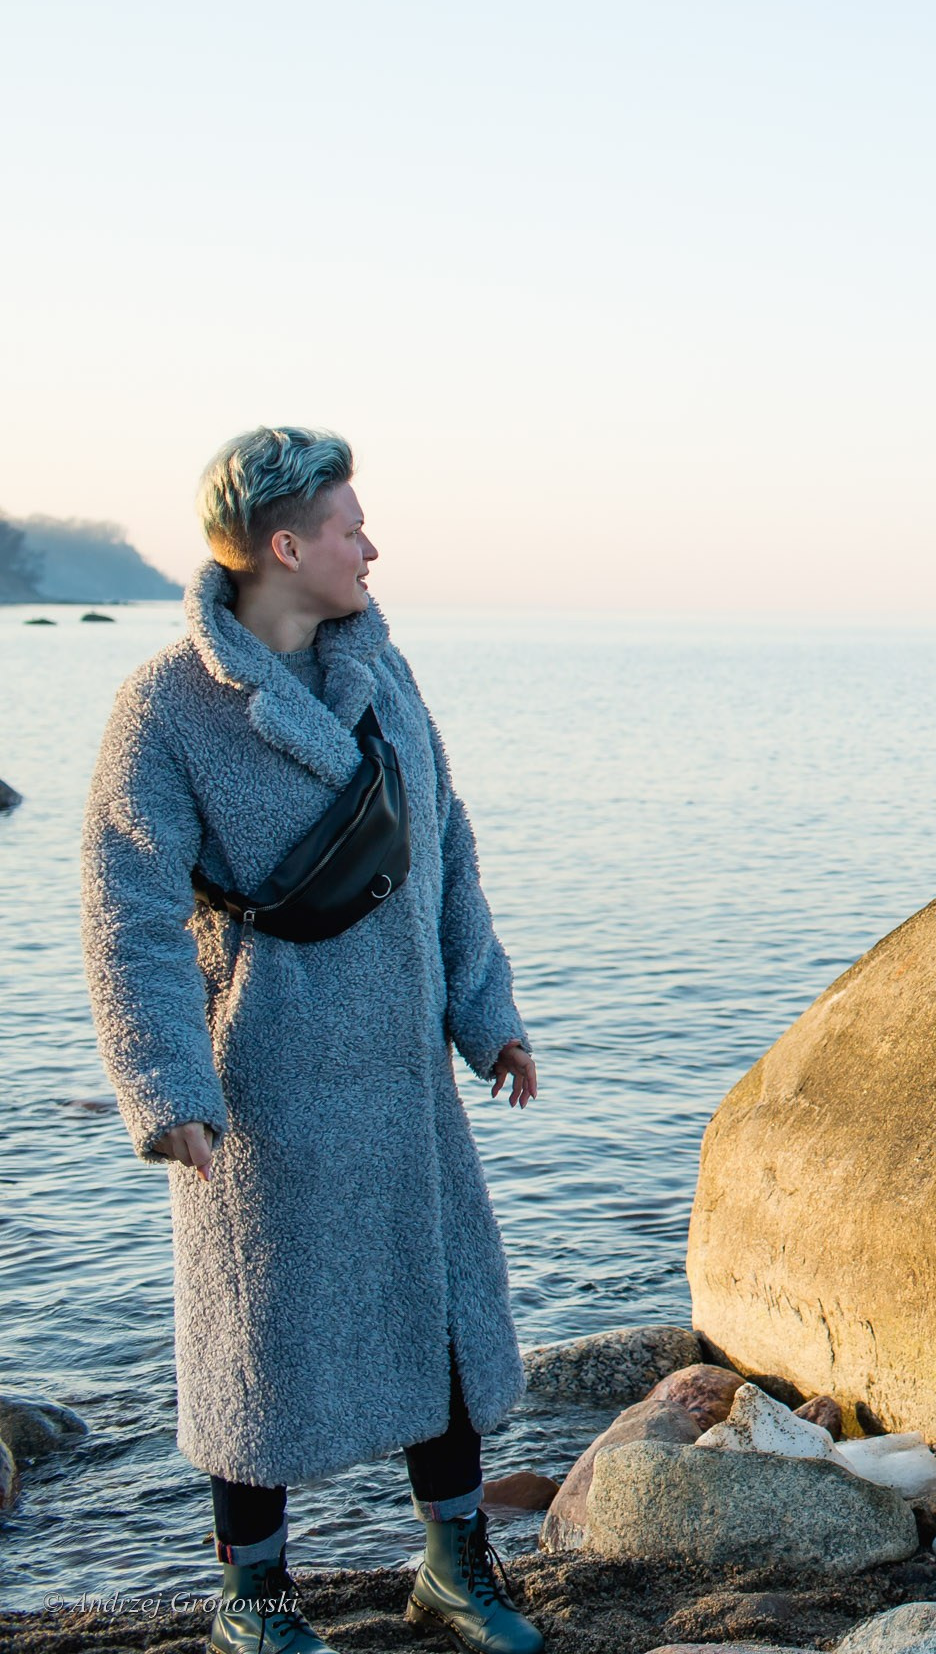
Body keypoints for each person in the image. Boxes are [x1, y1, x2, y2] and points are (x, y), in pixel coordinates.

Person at [80, 427, 544, 1654]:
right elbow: (128, 912)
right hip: (265, 1084)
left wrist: (485, 1011)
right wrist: (164, 1082)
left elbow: (443, 847)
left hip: (403, 1074)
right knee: (259, 1343)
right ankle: (255, 1597)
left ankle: (454, 1564)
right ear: (286, 547)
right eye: (350, 526)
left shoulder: (382, 673)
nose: (370, 546)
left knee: (439, 1315)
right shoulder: (167, 707)